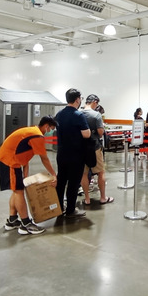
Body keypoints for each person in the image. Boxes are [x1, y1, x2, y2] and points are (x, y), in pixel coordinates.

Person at [0, 116, 58, 235]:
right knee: (18, 191)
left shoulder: (32, 131)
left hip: (7, 159)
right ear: (46, 126)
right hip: (10, 161)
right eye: (51, 129)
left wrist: (25, 170)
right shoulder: (37, 136)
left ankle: (12, 220)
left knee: (16, 190)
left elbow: (23, 149)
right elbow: (44, 158)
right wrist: (54, 174)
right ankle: (26, 224)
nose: (50, 131)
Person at [54, 88, 91, 218]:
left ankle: (59, 208)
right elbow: (86, 134)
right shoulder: (78, 115)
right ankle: (70, 210)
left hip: (61, 153)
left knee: (61, 181)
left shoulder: (59, 114)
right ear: (77, 99)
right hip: (76, 155)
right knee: (74, 183)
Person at [81, 94, 113, 206]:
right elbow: (100, 132)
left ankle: (87, 199)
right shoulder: (96, 115)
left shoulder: (78, 113)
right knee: (100, 172)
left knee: (84, 174)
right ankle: (103, 198)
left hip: (81, 148)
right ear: (94, 102)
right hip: (94, 147)